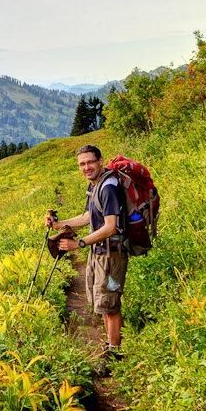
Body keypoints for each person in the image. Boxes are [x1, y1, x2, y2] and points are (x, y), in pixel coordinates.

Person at [44, 143, 127, 368]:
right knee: (103, 302)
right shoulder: (95, 185)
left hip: (111, 255)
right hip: (100, 252)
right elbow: (88, 216)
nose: (86, 167)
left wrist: (78, 244)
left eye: (90, 162)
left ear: (101, 161)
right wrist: (59, 224)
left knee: (110, 303)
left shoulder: (108, 187)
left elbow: (110, 227)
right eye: (82, 164)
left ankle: (115, 355)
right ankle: (111, 345)